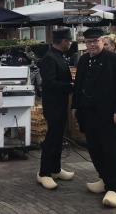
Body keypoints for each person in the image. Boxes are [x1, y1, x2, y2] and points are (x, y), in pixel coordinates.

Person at [71, 28, 116, 208]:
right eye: (89, 42)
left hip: (109, 114)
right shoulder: (83, 60)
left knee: (110, 149)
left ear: (103, 40)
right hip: (88, 113)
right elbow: (78, 84)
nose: (92, 45)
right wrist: (75, 106)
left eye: (95, 41)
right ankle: (104, 179)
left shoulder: (115, 60)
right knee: (94, 148)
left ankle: (114, 187)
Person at [36, 28, 75, 190]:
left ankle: (55, 169)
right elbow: (49, 82)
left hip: (60, 103)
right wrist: (71, 86)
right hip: (53, 105)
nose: (71, 43)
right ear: (64, 41)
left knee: (59, 137)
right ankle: (44, 173)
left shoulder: (58, 56)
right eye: (69, 41)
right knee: (52, 138)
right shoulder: (49, 58)